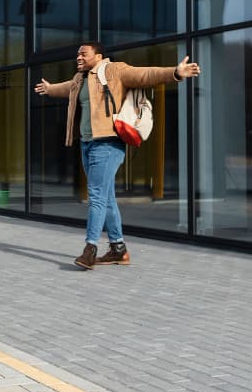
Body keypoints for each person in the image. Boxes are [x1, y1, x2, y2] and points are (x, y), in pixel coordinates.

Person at [34, 42, 200, 270]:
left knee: (96, 196)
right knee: (107, 197)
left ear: (98, 55)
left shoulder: (114, 70)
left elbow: (145, 75)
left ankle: (90, 249)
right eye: (77, 54)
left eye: (84, 53)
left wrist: (175, 72)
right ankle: (118, 249)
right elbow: (67, 89)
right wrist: (50, 89)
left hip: (109, 143)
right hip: (87, 144)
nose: (78, 57)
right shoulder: (80, 79)